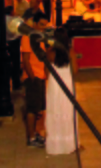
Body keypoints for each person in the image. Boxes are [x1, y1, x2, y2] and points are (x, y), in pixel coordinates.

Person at [45, 28, 79, 155]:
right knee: (67, 111)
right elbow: (75, 70)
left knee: (55, 110)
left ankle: (56, 144)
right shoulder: (70, 51)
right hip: (67, 81)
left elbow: (46, 71)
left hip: (54, 83)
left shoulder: (50, 52)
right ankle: (69, 144)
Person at [22, 11, 49, 148]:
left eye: (45, 25)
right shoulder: (28, 37)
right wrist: (32, 77)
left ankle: (36, 134)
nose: (43, 27)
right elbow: (26, 59)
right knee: (32, 108)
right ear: (34, 23)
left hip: (40, 76)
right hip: (33, 77)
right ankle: (31, 137)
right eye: (41, 24)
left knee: (39, 107)